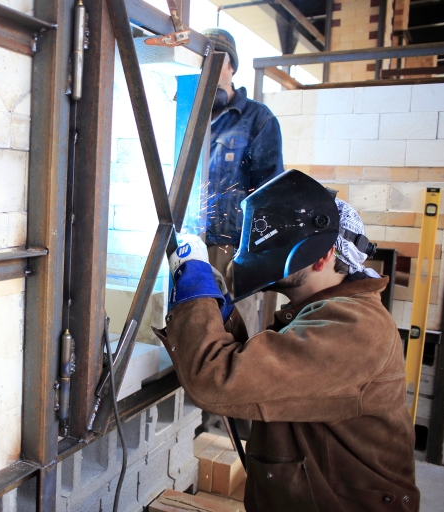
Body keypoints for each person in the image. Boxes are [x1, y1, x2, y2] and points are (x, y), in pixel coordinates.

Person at [157, 170, 420, 511]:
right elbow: (261, 371)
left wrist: (193, 285)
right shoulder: (323, 311)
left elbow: (217, 381)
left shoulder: (354, 327)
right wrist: (216, 305)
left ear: (323, 256)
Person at [201, 28, 285, 333]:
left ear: (232, 66)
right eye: (202, 58)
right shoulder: (188, 114)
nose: (206, 66)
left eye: (215, 59)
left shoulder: (258, 120)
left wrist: (249, 261)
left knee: (235, 341)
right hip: (189, 246)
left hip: (232, 252)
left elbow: (270, 196)